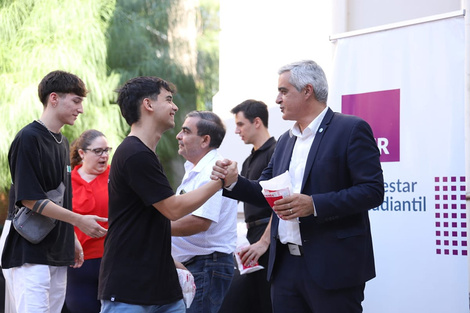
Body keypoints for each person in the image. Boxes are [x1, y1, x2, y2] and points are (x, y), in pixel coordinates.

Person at [212, 60, 385, 313]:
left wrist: (314, 204)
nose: (277, 99)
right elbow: (264, 190)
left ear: (308, 90)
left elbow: (372, 190)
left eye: (284, 91)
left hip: (333, 267)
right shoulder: (284, 141)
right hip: (285, 269)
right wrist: (233, 181)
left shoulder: (351, 129)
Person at [98, 76, 237, 313]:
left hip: (160, 287)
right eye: (169, 99)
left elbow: (152, 221)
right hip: (130, 289)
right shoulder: (134, 153)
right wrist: (221, 183)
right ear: (148, 105)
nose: (175, 107)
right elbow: (173, 209)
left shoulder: (144, 154)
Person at [2, 70, 108, 313]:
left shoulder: (62, 143)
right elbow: (29, 199)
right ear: (54, 98)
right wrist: (79, 221)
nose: (81, 109)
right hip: (30, 252)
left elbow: (63, 198)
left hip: (58, 253)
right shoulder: (28, 138)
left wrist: (70, 236)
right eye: (76, 100)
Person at [171, 110, 238, 313]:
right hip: (197, 265)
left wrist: (154, 229)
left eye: (185, 131)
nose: (178, 136)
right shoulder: (195, 168)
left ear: (204, 140)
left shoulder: (213, 169)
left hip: (206, 266)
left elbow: (200, 222)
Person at [219, 99, 276, 313]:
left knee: (268, 300)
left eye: (241, 124)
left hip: (269, 238)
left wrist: (264, 241)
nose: (236, 130)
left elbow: (278, 204)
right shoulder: (248, 160)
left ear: (257, 122)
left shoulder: (276, 152)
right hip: (252, 237)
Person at [63, 130, 111, 313]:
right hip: (77, 264)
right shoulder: (66, 180)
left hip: (112, 261)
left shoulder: (116, 176)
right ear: (82, 153)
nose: (104, 155)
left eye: (107, 150)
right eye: (98, 151)